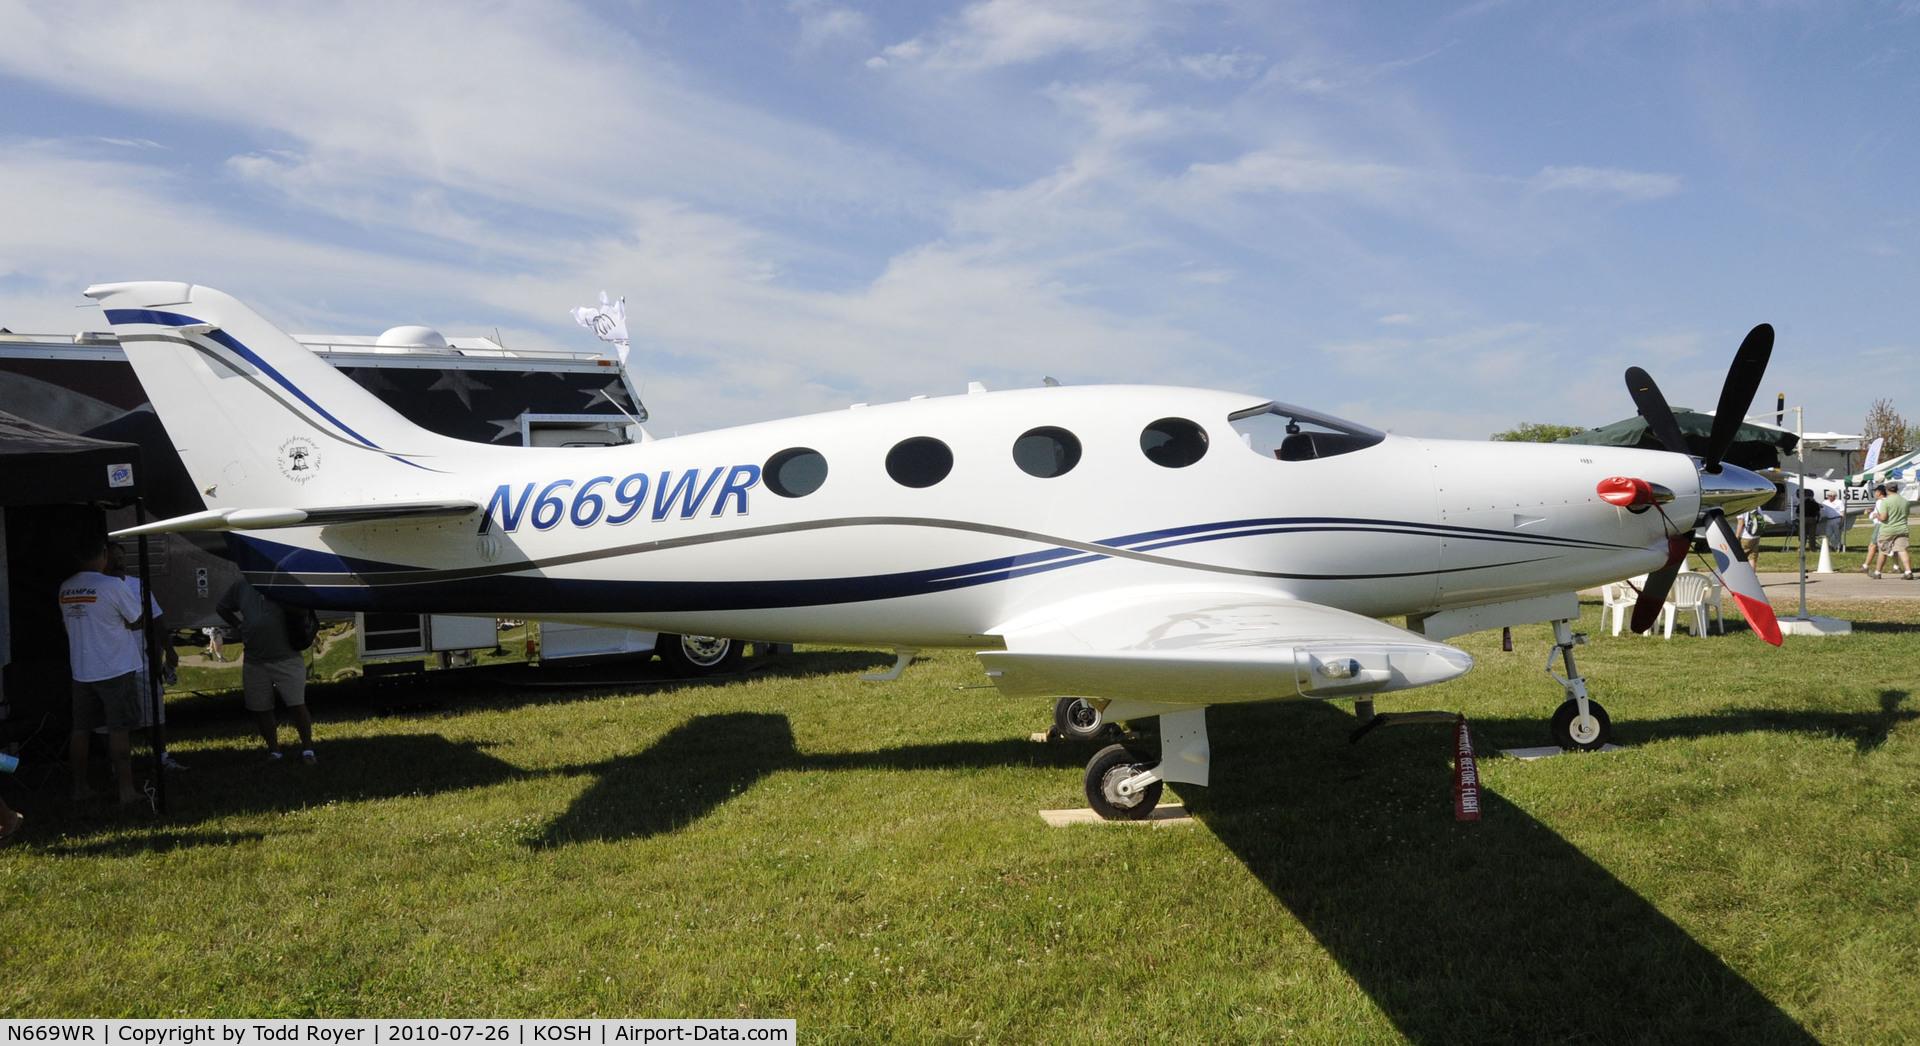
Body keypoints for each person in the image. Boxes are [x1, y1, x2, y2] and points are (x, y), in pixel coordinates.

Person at [59, 535, 149, 805]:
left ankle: (81, 788)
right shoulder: (112, 585)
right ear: (104, 555)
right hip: (115, 668)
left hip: (82, 671)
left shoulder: (66, 587)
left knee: (81, 731)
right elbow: (137, 619)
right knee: (119, 729)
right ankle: (126, 791)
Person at [99, 544, 186, 771]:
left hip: (141, 663)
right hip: (111, 667)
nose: (119, 562)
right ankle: (115, 766)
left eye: (122, 558)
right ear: (103, 559)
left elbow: (156, 619)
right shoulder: (97, 588)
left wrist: (170, 648)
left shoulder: (137, 585)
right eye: (114, 558)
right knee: (112, 721)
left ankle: (162, 758)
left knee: (154, 713)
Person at [215, 576, 317, 763]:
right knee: (261, 707)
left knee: (297, 705)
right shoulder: (241, 584)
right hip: (255, 660)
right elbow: (222, 607)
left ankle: (308, 751)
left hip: (286, 658)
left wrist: (278, 599)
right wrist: (238, 624)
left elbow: (303, 611)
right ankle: (274, 752)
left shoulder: (283, 582)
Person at [1870, 482, 1912, 580]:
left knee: (1883, 551)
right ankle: (1908, 571)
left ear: (1887, 490)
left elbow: (1884, 517)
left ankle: (1878, 572)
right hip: (1902, 528)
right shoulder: (1905, 501)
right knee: (1902, 550)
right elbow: (1906, 514)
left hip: (1887, 529)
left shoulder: (1886, 502)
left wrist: (1876, 515)